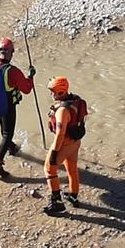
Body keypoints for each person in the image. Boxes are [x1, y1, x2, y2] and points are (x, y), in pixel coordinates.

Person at [0, 36, 36, 178]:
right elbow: (26, 89)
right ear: (12, 52)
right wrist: (31, 76)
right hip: (8, 106)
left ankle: (11, 147)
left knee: (4, 131)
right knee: (8, 134)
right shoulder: (12, 71)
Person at [43, 76, 87, 215]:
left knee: (49, 170)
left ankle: (57, 202)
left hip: (64, 144)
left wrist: (55, 152)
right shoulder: (76, 100)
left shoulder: (62, 110)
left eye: (53, 91)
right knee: (72, 169)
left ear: (61, 92)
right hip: (75, 142)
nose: (52, 94)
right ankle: (73, 196)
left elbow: (60, 133)